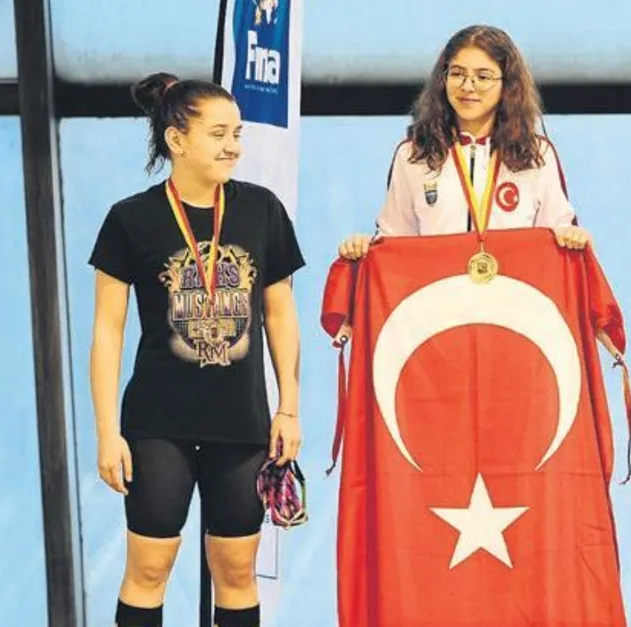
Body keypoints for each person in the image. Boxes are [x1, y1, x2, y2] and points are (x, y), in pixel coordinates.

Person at [88, 72, 305, 627]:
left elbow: (280, 314)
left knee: (237, 571)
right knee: (149, 569)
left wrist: (289, 408)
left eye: (237, 133)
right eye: (218, 134)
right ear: (176, 139)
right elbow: (107, 331)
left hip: (243, 425)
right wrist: (108, 432)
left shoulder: (262, 210)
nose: (234, 146)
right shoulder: (130, 218)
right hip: (158, 425)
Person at [335, 24, 592, 260]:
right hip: (437, 292)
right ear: (443, 79)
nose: (468, 86)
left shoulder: (535, 153)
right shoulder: (415, 153)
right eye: (457, 73)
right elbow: (394, 240)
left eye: (483, 77)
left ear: (508, 85)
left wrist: (570, 236)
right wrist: (365, 247)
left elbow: (557, 230)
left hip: (513, 293)